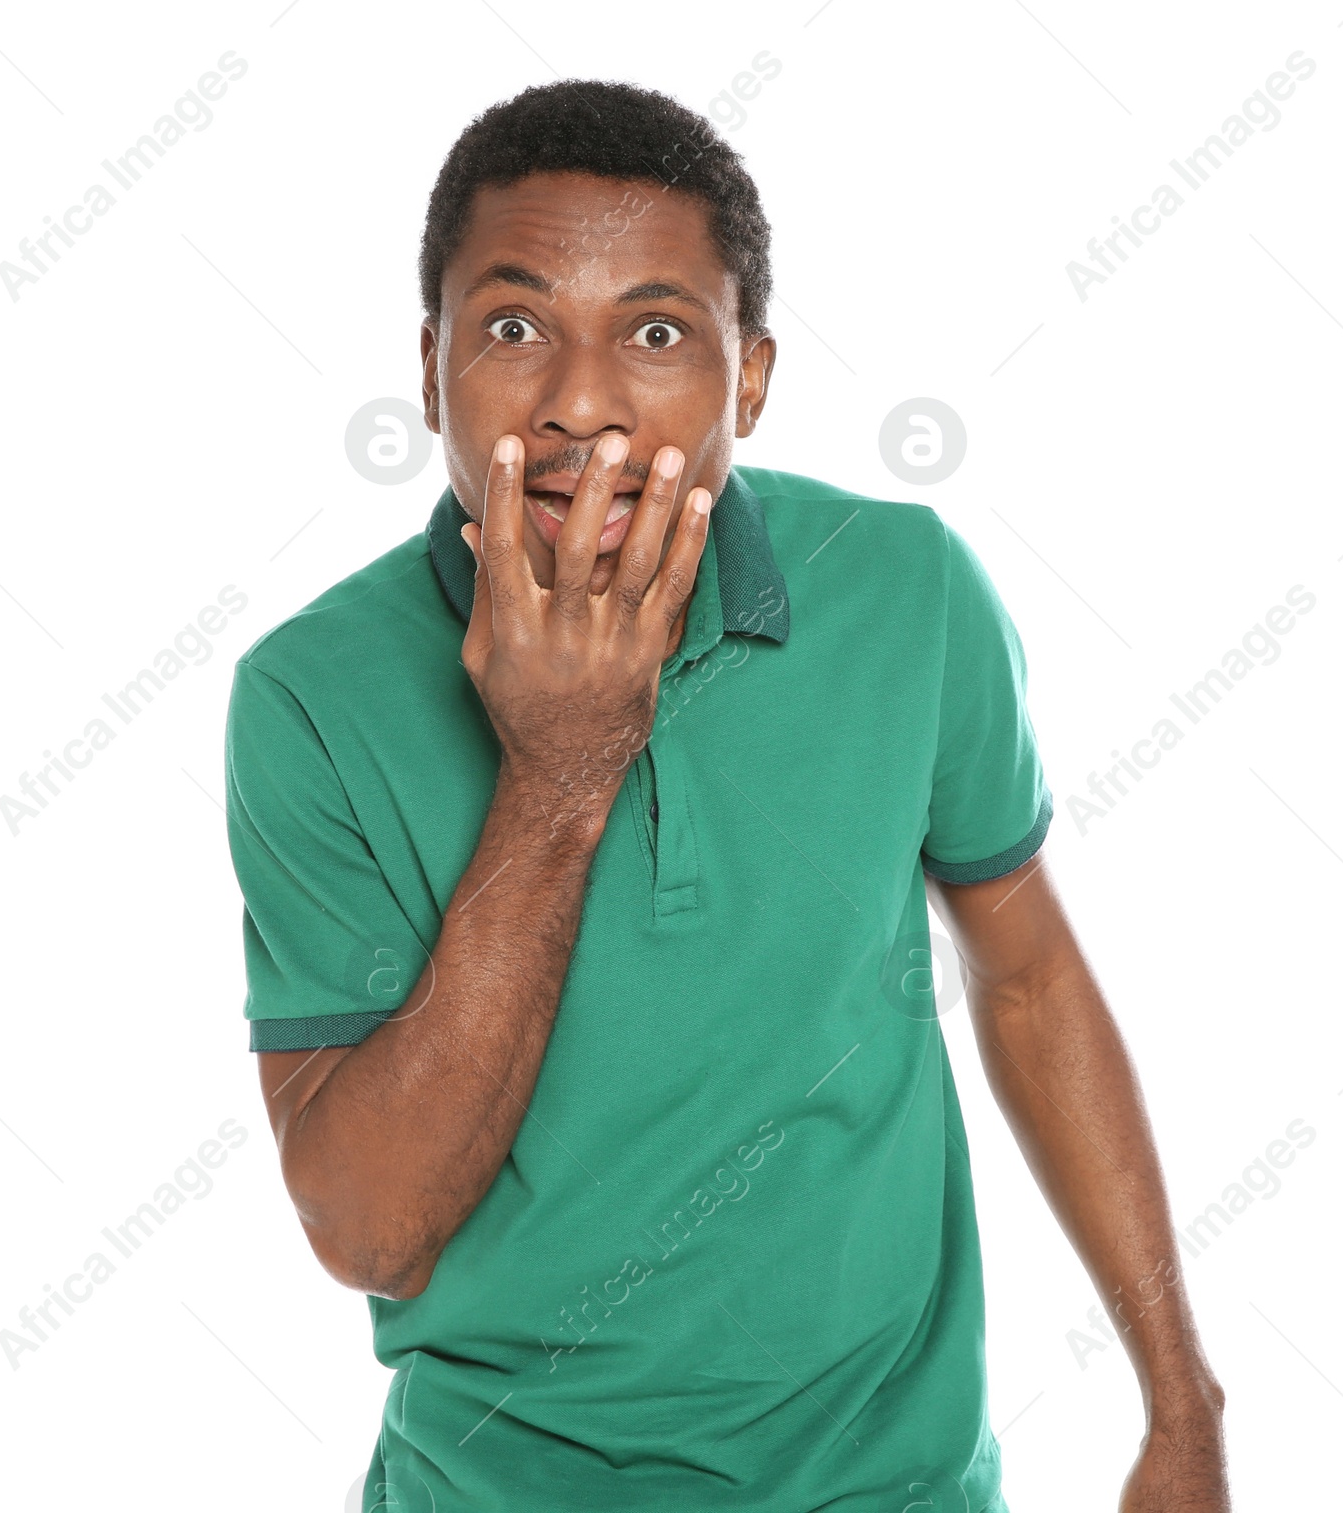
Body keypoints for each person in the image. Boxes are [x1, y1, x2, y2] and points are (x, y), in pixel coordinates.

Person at [223, 79, 1230, 1512]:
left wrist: (1179, 1405)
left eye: (654, 332)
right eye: (515, 329)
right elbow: (370, 1230)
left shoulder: (905, 590)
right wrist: (558, 779)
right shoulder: (310, 695)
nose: (581, 400)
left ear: (748, 376)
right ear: (432, 365)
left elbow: (1029, 982)